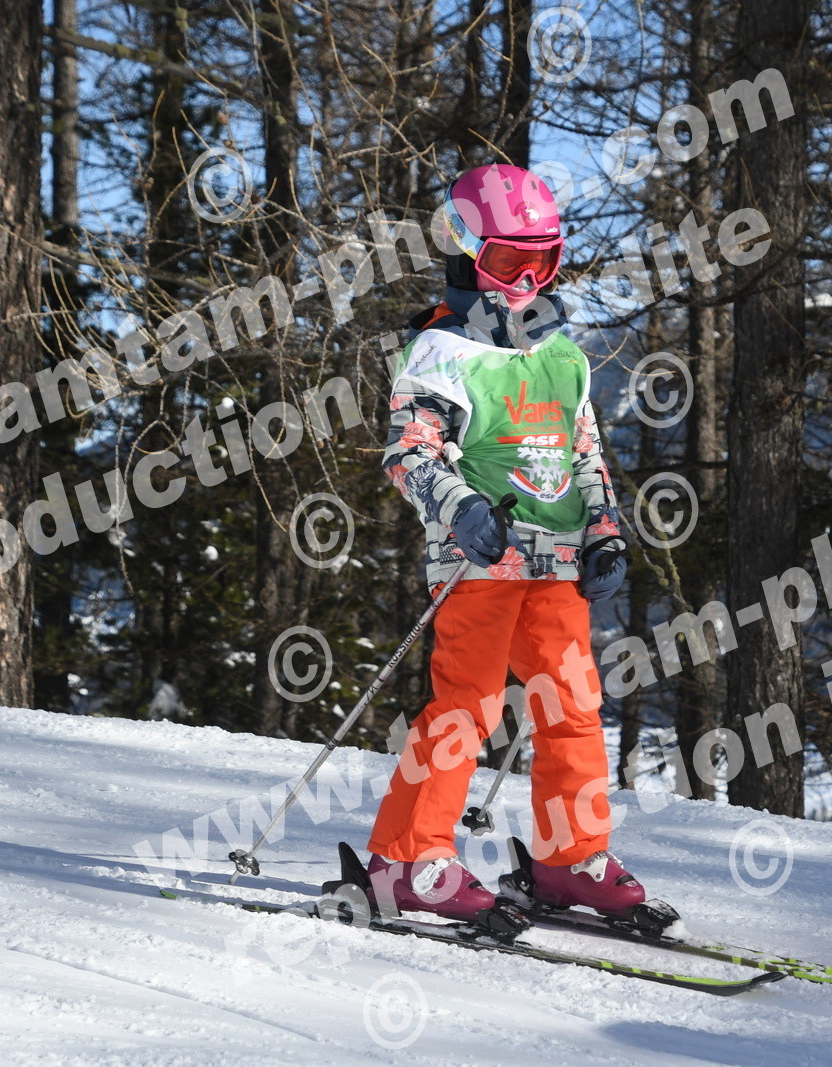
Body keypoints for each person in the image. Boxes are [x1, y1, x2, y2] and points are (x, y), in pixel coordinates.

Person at [365, 163, 646, 924]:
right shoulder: (440, 351)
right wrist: (460, 509)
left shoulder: (565, 356)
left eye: (541, 263)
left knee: (574, 704)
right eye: (507, 262)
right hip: (481, 560)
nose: (525, 282)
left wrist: (605, 532)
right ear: (465, 249)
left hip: (558, 563)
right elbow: (409, 452)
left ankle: (569, 858)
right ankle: (408, 858)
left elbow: (585, 455)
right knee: (469, 703)